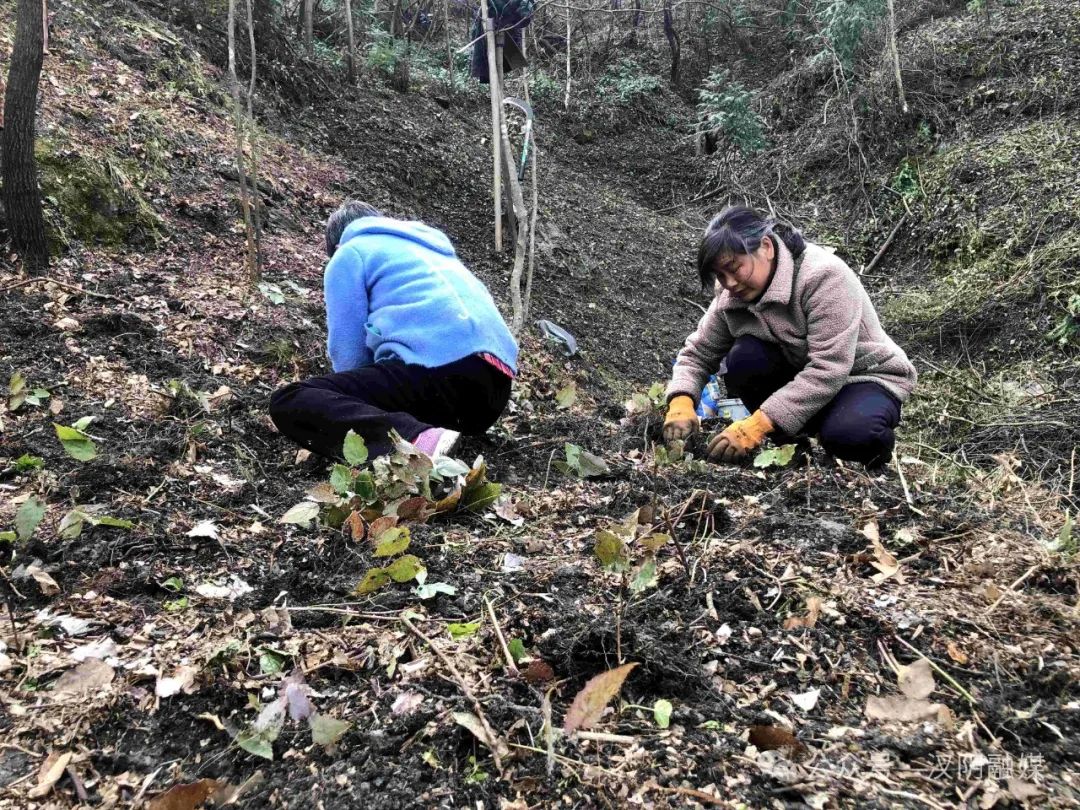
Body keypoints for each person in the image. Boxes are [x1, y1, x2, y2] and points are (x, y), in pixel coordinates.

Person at [663, 205, 917, 468]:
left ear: (766, 247)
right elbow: (699, 353)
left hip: (861, 377)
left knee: (852, 437)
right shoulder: (732, 295)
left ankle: (868, 457)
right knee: (745, 358)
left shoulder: (823, 277)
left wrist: (757, 425)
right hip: (801, 376)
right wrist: (681, 401)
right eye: (720, 275)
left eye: (734, 268)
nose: (729, 283)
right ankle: (790, 441)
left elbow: (829, 369)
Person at [269, 201, 518, 461]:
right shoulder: (432, 249)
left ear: (336, 245)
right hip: (492, 394)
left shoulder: (350, 252)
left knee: (290, 400)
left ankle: (416, 440)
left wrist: (343, 416)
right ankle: (433, 435)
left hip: (440, 375)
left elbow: (348, 352)